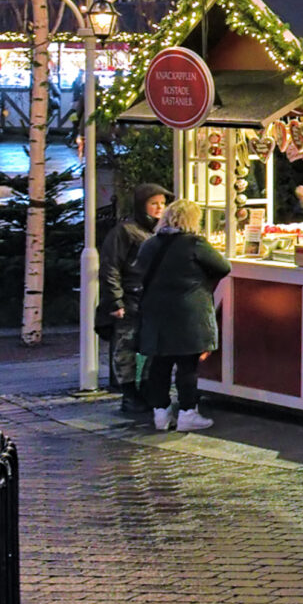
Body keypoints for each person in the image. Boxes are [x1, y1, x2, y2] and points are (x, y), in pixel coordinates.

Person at [132, 197, 228, 432]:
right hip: (187, 312)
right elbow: (224, 267)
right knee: (187, 364)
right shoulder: (194, 243)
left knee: (160, 364)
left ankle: (160, 414)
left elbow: (137, 273)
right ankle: (187, 413)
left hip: (156, 312)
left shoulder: (150, 244)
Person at [97, 182, 167, 417]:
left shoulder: (160, 230)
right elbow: (110, 267)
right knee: (125, 348)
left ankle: (145, 389)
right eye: (154, 204)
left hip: (152, 298)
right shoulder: (125, 231)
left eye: (162, 204)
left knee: (150, 347)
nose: (159, 208)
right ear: (142, 205)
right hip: (130, 297)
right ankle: (129, 394)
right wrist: (115, 301)